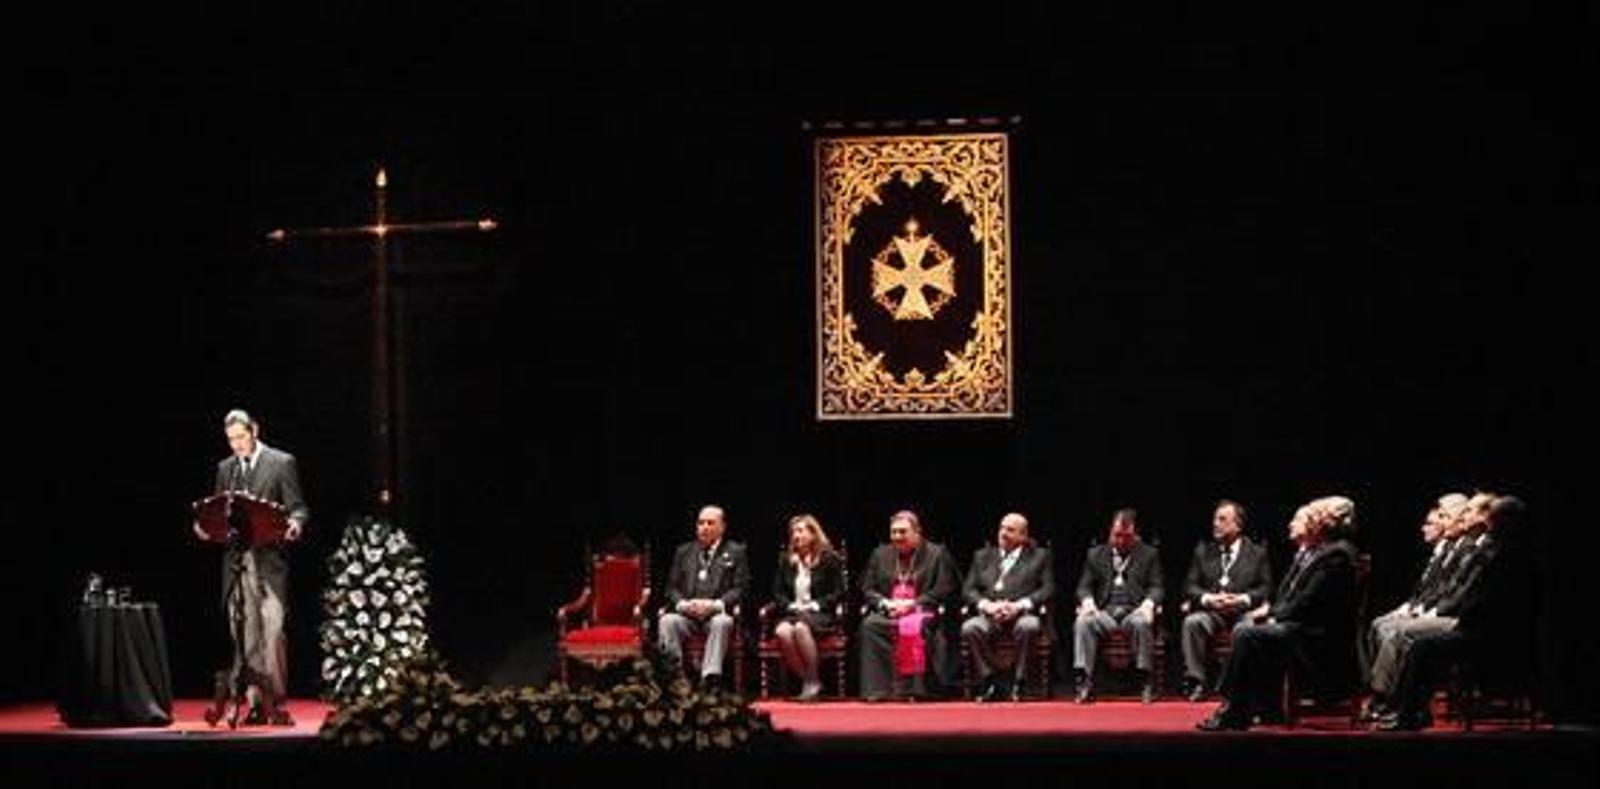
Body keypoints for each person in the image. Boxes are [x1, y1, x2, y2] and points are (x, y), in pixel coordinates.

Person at [1197, 496, 1360, 731]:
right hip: (1304, 628)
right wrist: (1273, 614)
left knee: (1248, 635)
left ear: (1328, 524)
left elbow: (1308, 602)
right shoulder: (1322, 551)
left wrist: (1274, 617)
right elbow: (1291, 597)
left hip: (1319, 639)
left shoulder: (1337, 555)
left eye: (1317, 518)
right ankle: (1261, 707)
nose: (1313, 522)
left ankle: (1234, 710)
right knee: (1251, 630)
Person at [191, 408, 309, 726]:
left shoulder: (281, 462)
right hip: (236, 565)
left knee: (272, 632)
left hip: (269, 564)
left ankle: (276, 703)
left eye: (241, 437)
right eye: (231, 440)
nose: (237, 445)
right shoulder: (225, 468)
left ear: (255, 430)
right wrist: (205, 527)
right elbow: (218, 514)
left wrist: (295, 524)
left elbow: (298, 508)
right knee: (245, 636)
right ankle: (255, 705)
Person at [1378, 494, 1533, 730]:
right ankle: (1407, 709)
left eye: (1496, 520)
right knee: (1417, 641)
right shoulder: (1500, 552)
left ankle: (1408, 712)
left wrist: (1462, 618)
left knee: (1422, 646)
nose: (1491, 525)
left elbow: (1487, 599)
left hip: (1491, 634)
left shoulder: (1507, 556)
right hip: (1477, 626)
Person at [1359, 491, 1469, 719]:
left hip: (1455, 616)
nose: (1439, 523)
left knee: (1396, 631)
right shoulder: (1450, 549)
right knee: (1379, 624)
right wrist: (1411, 608)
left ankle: (1388, 698)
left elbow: (1456, 593)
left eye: (1444, 517)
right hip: (1437, 611)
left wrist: (1427, 612)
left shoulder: (1467, 549)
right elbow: (1430, 591)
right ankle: (1386, 693)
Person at [859, 510, 959, 702]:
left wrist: (914, 604)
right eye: (893, 532)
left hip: (923, 611)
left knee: (914, 627)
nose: (897, 537)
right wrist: (884, 603)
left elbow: (945, 588)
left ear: (917, 532)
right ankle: (879, 690)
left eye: (902, 532)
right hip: (889, 610)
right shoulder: (880, 554)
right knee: (870, 626)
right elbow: (867, 588)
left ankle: (916, 690)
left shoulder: (937, 554)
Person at [1179, 499, 1274, 701]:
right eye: (1215, 519)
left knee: (1246, 630)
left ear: (1238, 525)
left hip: (1243, 613)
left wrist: (1243, 599)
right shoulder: (1203, 551)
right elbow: (1189, 586)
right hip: (1213, 613)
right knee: (1192, 622)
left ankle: (1236, 685)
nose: (1215, 523)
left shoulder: (1257, 553)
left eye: (1222, 519)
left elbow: (1266, 588)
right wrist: (1208, 598)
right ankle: (1197, 682)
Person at [1072, 507, 1164, 703]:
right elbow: (1083, 587)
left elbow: (1157, 587)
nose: (1121, 541)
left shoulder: (1149, 554)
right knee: (1083, 622)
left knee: (1142, 622)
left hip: (1134, 611)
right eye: (1116, 535)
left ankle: (1144, 681)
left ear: (1135, 535)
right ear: (1110, 532)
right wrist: (1088, 603)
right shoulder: (1095, 554)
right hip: (1105, 613)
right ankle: (1085, 682)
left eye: (1126, 536)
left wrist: (1148, 604)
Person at [960, 512, 1055, 702]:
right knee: (970, 627)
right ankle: (989, 681)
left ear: (1023, 536)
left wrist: (1019, 606)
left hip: (1022, 614)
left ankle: (1019, 682)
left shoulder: (1040, 556)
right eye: (1002, 528)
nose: (1003, 533)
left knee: (1029, 626)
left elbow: (1048, 588)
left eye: (1010, 530)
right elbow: (968, 589)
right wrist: (986, 605)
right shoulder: (982, 556)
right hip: (990, 615)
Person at [658, 504, 751, 692]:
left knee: (722, 622)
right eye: (700, 523)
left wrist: (716, 605)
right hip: (688, 615)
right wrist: (683, 604)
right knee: (667, 620)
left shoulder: (735, 551)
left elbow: (741, 588)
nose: (704, 527)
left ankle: (710, 679)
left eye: (710, 523)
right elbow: (671, 588)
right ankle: (675, 678)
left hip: (715, 614)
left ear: (722, 527)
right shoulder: (684, 551)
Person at [770, 514, 846, 701]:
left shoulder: (829, 558)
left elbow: (839, 591)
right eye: (793, 532)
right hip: (794, 612)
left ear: (813, 534)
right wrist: (790, 605)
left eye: (801, 531)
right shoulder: (787, 560)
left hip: (819, 613)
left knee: (801, 628)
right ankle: (811, 679)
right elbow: (777, 592)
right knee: (782, 631)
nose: (796, 535)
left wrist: (816, 604)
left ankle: (811, 682)